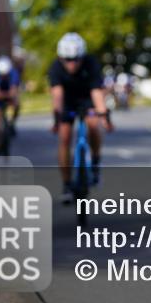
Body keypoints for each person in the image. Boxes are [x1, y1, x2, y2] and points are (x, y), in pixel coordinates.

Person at [49, 32, 113, 203]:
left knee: (93, 125)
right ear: (61, 58)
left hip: (87, 99)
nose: (72, 63)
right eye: (68, 60)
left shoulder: (91, 64)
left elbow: (96, 92)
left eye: (76, 59)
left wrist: (103, 116)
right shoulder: (55, 68)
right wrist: (57, 118)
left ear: (82, 57)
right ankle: (66, 184)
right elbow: (57, 95)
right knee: (64, 137)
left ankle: (95, 161)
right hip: (68, 102)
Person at [0, 56, 21, 154]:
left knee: (16, 104)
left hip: (8, 93)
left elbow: (14, 90)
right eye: (1, 75)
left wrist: (10, 97)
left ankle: (12, 122)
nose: (3, 76)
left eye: (5, 74)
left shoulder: (14, 74)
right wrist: (5, 95)